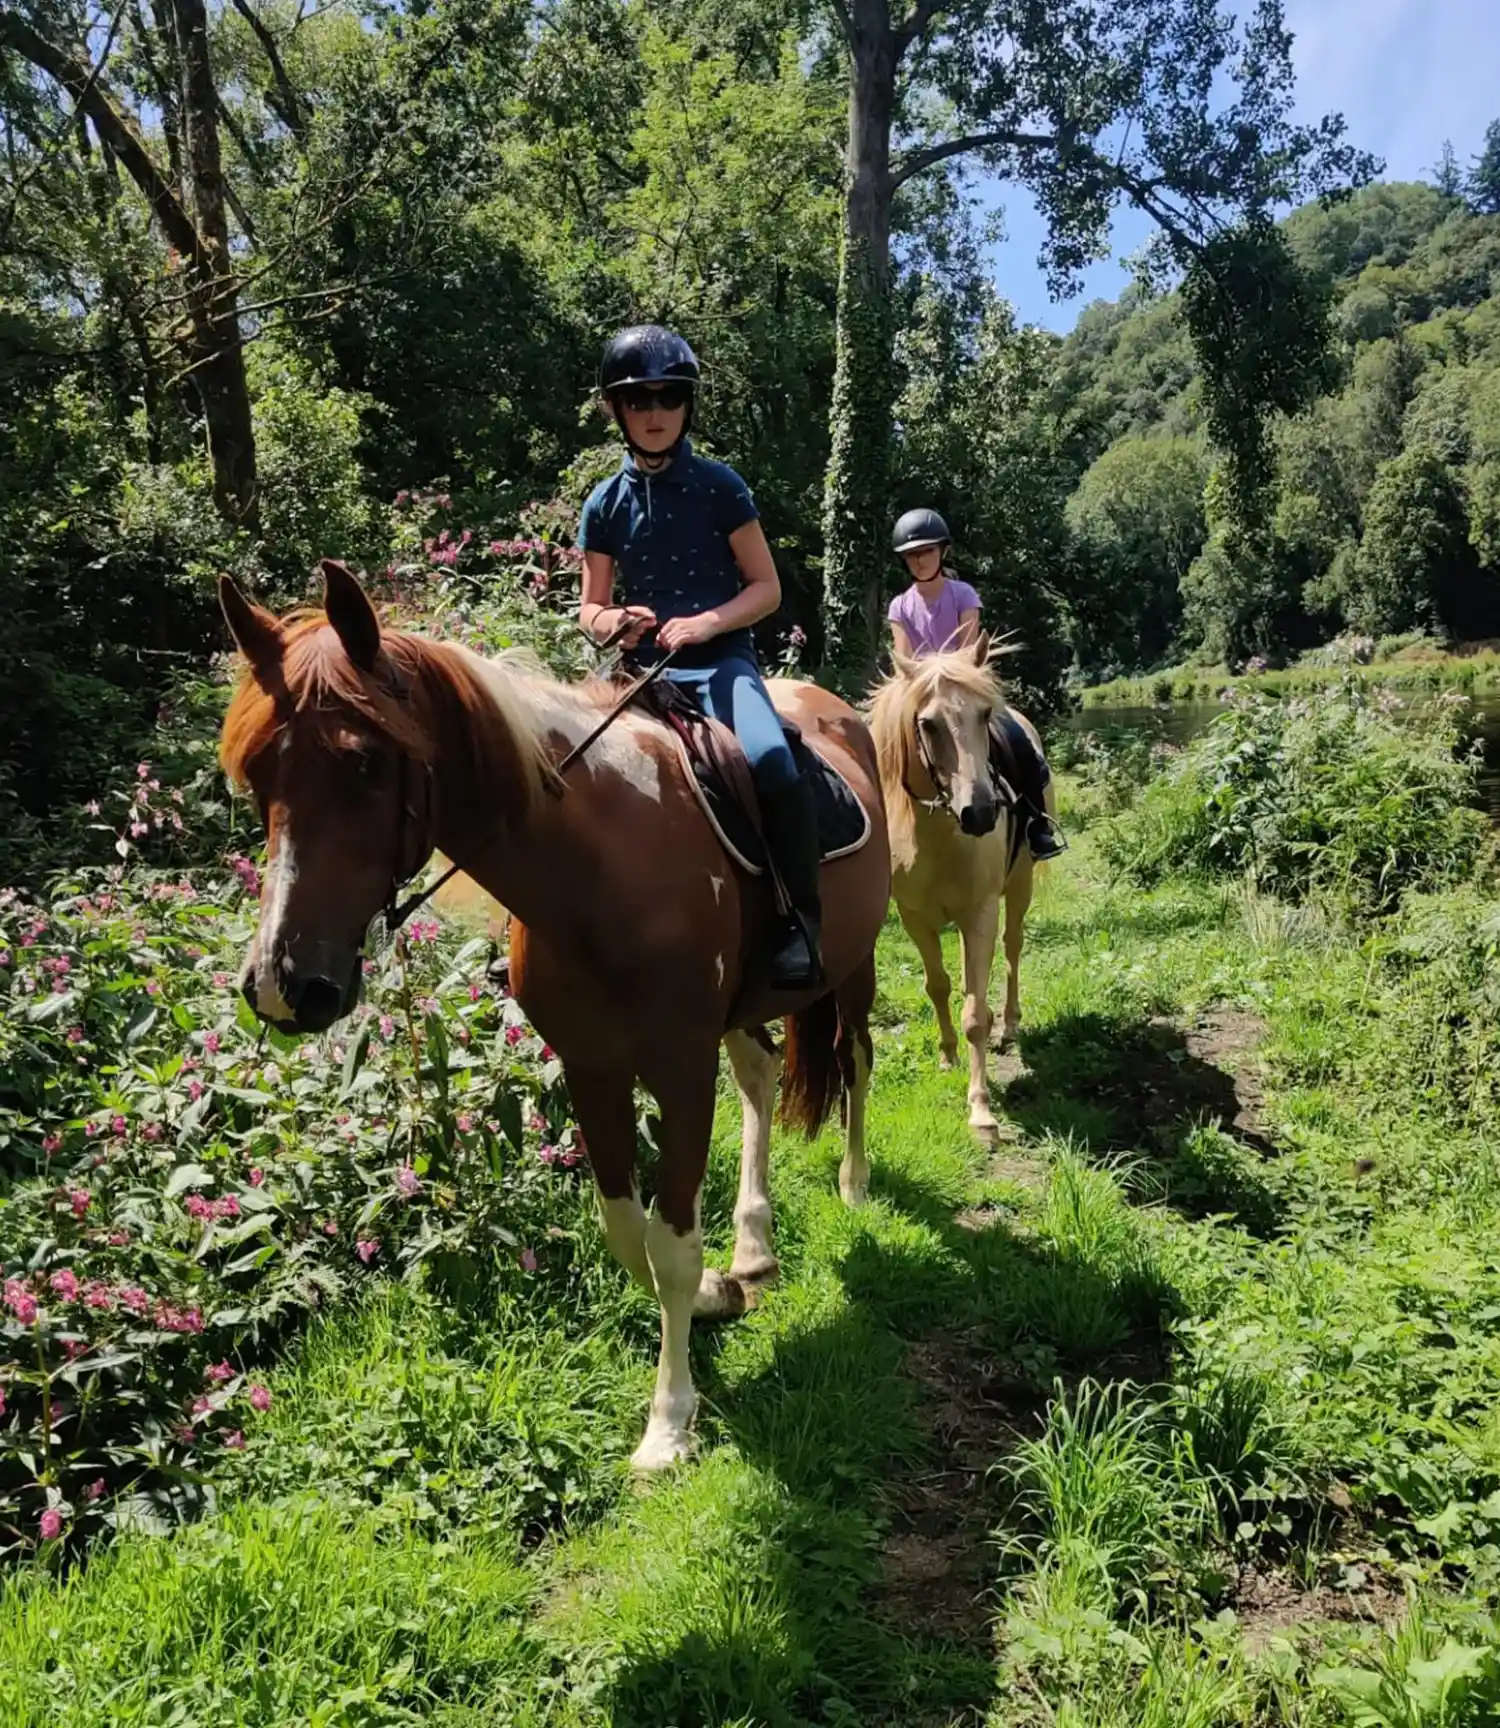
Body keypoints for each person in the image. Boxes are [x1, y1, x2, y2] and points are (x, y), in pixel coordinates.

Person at [578, 324, 824, 990]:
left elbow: (766, 589)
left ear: (687, 405)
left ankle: (800, 921)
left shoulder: (721, 487)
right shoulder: (602, 504)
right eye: (639, 401)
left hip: (721, 666)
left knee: (772, 760)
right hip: (636, 673)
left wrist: (706, 623)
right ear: (617, 410)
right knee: (559, 770)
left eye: (668, 398)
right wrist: (614, 621)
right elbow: (589, 608)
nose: (654, 414)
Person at [888, 507, 1065, 862]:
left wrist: (944, 673)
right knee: (876, 752)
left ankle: (1036, 825)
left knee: (1018, 740)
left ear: (943, 552)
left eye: (926, 552)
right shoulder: (900, 606)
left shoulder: (964, 594)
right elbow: (903, 661)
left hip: (964, 693)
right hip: (923, 698)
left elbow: (970, 654)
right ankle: (881, 836)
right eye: (911, 555)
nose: (919, 561)